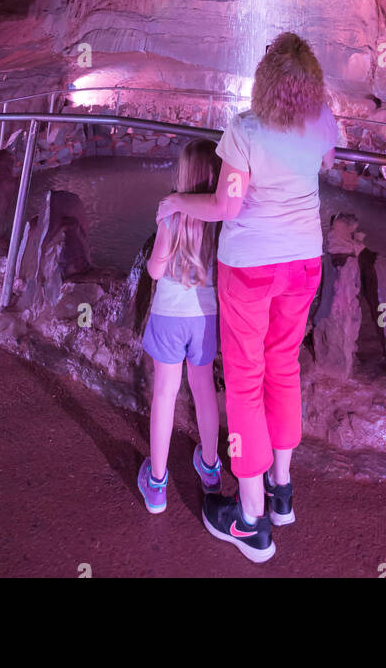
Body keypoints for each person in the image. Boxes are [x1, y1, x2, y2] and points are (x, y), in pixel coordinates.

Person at [157, 32, 338, 563]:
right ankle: (281, 489)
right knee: (283, 369)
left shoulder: (244, 130)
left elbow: (226, 207)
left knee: (243, 382)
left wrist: (176, 200)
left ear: (266, 82)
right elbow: (324, 165)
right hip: (304, 262)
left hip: (251, 268)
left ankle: (251, 520)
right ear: (310, 83)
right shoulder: (322, 122)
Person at [137, 139, 223, 513]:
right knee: (204, 392)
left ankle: (157, 483)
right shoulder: (223, 219)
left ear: (183, 174)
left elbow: (155, 268)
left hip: (169, 315)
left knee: (165, 395)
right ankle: (210, 468)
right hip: (205, 318)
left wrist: (159, 261)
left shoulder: (171, 215)